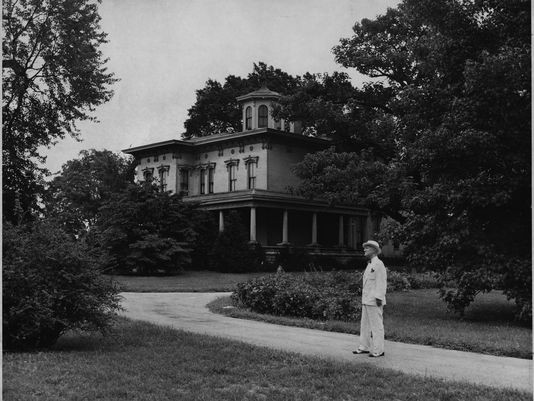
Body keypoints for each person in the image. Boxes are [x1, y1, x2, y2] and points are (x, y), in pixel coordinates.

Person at [353, 240, 387, 358]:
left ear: (373, 250)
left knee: (376, 325)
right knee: (365, 324)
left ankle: (379, 350)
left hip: (374, 300)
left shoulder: (379, 264)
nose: (365, 250)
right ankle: (364, 346)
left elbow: (381, 282)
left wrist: (379, 297)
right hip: (366, 299)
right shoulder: (370, 264)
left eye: (367, 248)